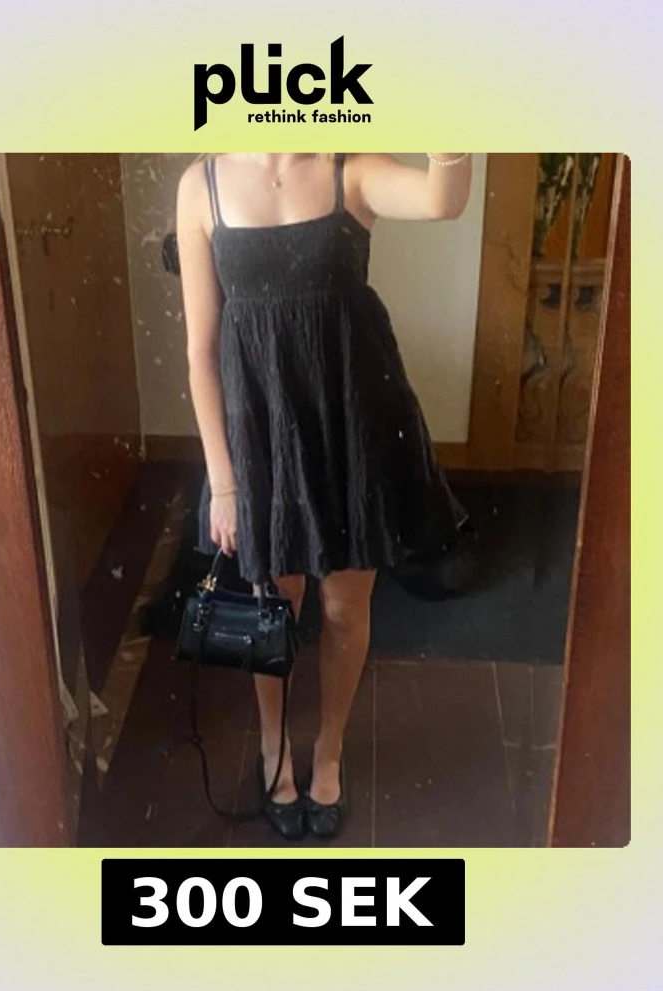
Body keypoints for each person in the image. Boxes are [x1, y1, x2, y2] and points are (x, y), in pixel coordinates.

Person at [176, 152, 472, 840]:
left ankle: (329, 751)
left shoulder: (351, 169)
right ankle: (273, 745)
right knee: (272, 607)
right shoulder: (202, 186)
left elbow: (443, 200)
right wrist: (224, 482)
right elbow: (200, 351)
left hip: (351, 425)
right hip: (260, 433)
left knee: (344, 607)